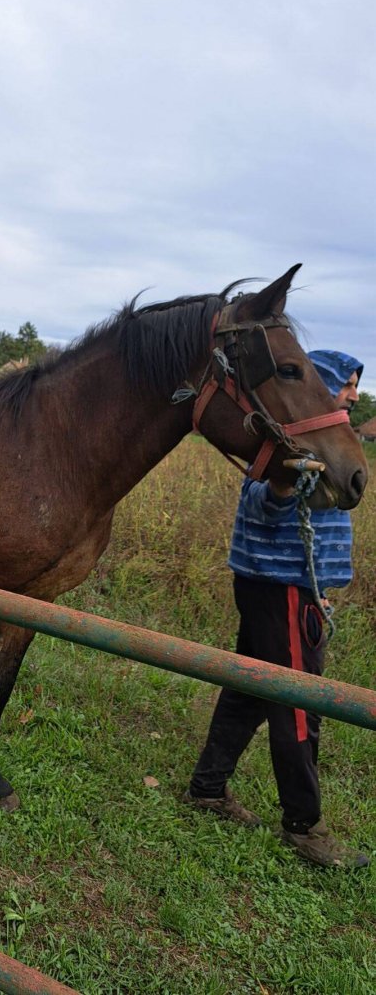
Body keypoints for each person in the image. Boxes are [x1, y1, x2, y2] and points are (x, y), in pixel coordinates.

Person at [184, 349, 369, 868]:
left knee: (249, 690)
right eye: (348, 385)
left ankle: (208, 787)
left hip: (292, 589)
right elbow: (260, 504)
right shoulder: (289, 449)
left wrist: (320, 586)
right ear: (320, 387)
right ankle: (304, 825)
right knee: (298, 703)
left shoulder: (318, 445)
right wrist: (286, 483)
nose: (354, 394)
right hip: (283, 592)